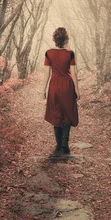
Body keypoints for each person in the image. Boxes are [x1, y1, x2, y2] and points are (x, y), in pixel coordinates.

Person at [42, 27, 80, 156]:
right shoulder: (70, 53)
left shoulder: (48, 53)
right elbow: (74, 74)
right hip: (67, 86)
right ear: (65, 40)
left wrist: (43, 90)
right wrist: (77, 90)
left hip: (54, 86)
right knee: (67, 114)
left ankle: (58, 145)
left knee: (56, 113)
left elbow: (47, 74)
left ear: (55, 39)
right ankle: (65, 144)